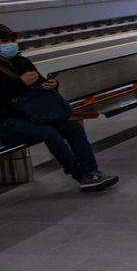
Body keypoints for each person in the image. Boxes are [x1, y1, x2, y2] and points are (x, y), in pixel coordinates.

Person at [0, 24, 117, 192]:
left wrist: (51, 85)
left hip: (33, 115)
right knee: (50, 133)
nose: (9, 44)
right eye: (4, 41)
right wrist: (20, 83)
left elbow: (39, 85)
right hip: (7, 121)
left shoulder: (22, 61)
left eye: (11, 40)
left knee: (73, 127)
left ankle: (92, 171)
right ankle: (80, 175)